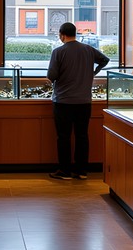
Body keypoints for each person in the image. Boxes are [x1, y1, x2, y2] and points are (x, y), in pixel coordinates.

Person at [46, 21, 109, 180]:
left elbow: (51, 76)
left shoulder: (58, 52)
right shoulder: (88, 49)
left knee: (64, 136)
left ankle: (65, 171)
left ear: (62, 35)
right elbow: (105, 60)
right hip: (84, 101)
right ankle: (81, 171)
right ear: (75, 33)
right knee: (82, 136)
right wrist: (93, 73)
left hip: (63, 101)